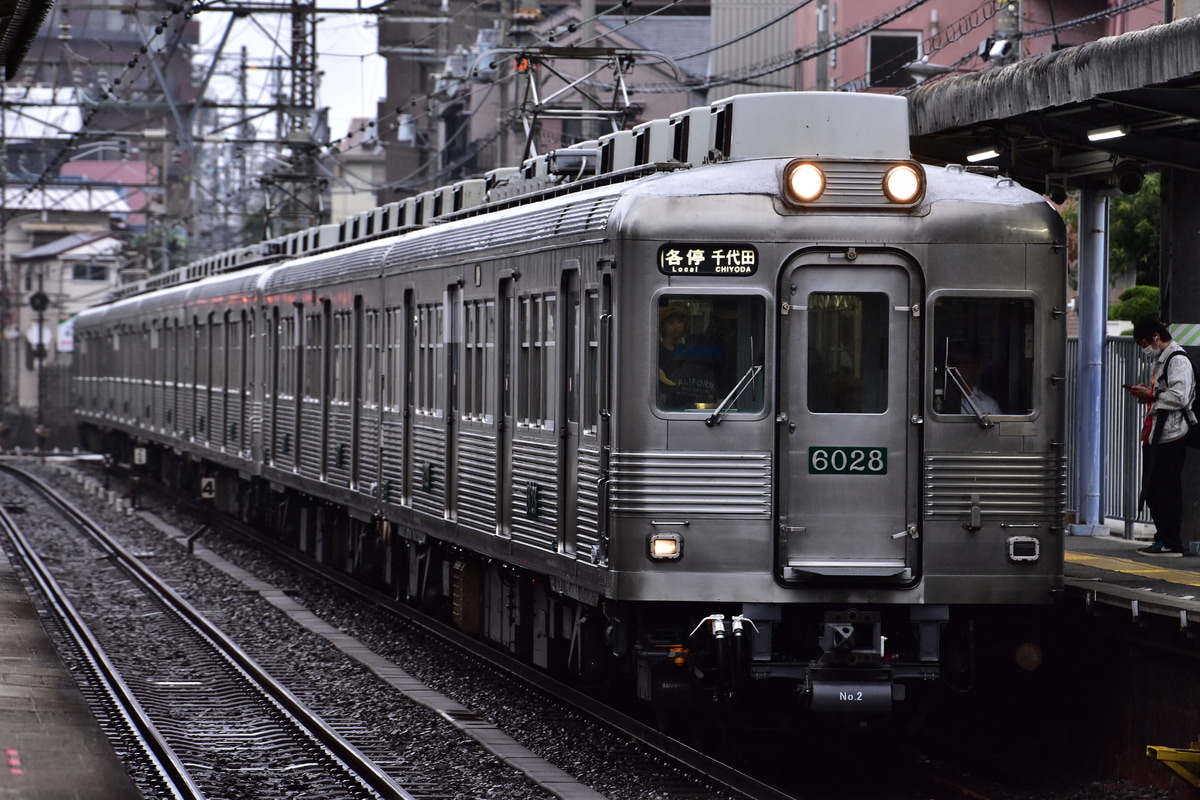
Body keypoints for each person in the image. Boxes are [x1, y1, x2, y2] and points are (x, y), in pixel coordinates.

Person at [1125, 319, 1196, 557]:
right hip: (1158, 433)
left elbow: (1180, 397)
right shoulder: (1162, 360)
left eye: (1145, 343)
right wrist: (1150, 393)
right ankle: (1164, 538)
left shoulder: (1178, 360)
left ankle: (1171, 542)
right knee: (1154, 489)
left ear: (1156, 337)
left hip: (1173, 433)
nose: (1145, 349)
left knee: (1165, 489)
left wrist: (1151, 394)